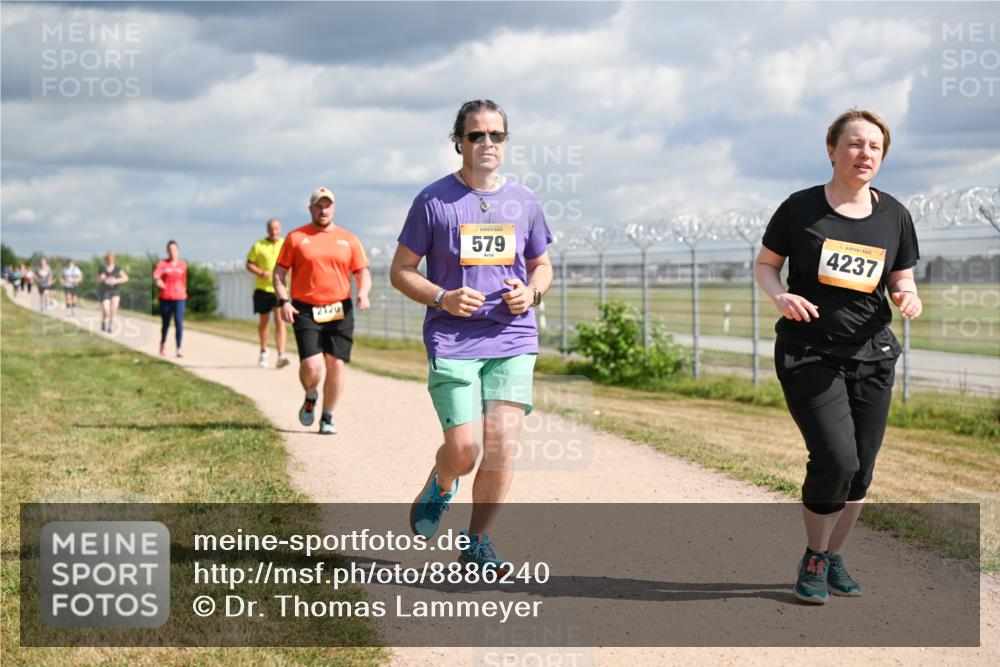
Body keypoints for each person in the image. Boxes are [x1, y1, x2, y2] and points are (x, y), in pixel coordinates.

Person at [755, 109, 922, 605]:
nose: (864, 153)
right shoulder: (800, 209)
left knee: (862, 468)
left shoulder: (894, 214)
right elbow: (766, 265)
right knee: (835, 457)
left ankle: (833, 555)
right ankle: (813, 553)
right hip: (810, 353)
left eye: (874, 146)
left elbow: (900, 275)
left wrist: (907, 295)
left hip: (872, 354)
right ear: (832, 150)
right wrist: (779, 296)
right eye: (854, 144)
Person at [390, 100, 553, 572]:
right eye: (477, 135)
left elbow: (541, 265)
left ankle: (477, 544)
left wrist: (532, 294)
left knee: (501, 443)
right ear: (458, 141)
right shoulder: (433, 201)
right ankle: (443, 481)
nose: (487, 144)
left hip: (512, 336)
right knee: (464, 451)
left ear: (505, 142)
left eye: (496, 136)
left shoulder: (524, 200)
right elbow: (401, 271)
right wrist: (442, 298)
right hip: (453, 340)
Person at [273, 187, 371, 435]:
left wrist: (363, 292)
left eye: (327, 205)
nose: (323, 210)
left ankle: (327, 416)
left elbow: (362, 271)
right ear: (311, 209)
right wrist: (284, 300)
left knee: (336, 364)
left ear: (334, 208)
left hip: (339, 307)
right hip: (305, 309)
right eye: (319, 205)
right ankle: (310, 393)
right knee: (312, 366)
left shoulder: (348, 239)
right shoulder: (296, 238)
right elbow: (279, 273)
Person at [246, 219, 290, 368]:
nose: (274, 232)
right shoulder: (259, 246)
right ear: (267, 229)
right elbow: (249, 263)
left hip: (280, 289)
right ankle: (263, 351)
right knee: (264, 322)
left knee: (280, 322)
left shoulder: (285, 244)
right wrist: (260, 272)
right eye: (271, 229)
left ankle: (281, 354)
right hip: (262, 289)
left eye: (276, 229)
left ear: (280, 229)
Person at [153, 240, 188, 357]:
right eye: (170, 249)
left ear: (178, 251)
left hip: (179, 298)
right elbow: (156, 274)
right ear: (167, 251)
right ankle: (163, 344)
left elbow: (184, 280)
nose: (172, 252)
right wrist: (158, 280)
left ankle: (179, 348)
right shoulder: (162, 263)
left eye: (174, 249)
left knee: (179, 322)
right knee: (166, 323)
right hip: (166, 297)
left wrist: (183, 291)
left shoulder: (182, 265)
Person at [97, 253, 128, 333]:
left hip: (115, 291)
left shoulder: (118, 269)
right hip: (104, 291)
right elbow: (98, 279)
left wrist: (116, 280)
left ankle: (110, 327)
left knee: (114, 309)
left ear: (113, 259)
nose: (110, 260)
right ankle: (104, 321)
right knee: (106, 310)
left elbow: (126, 278)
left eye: (111, 259)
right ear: (106, 259)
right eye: (108, 259)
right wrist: (101, 278)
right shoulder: (102, 268)